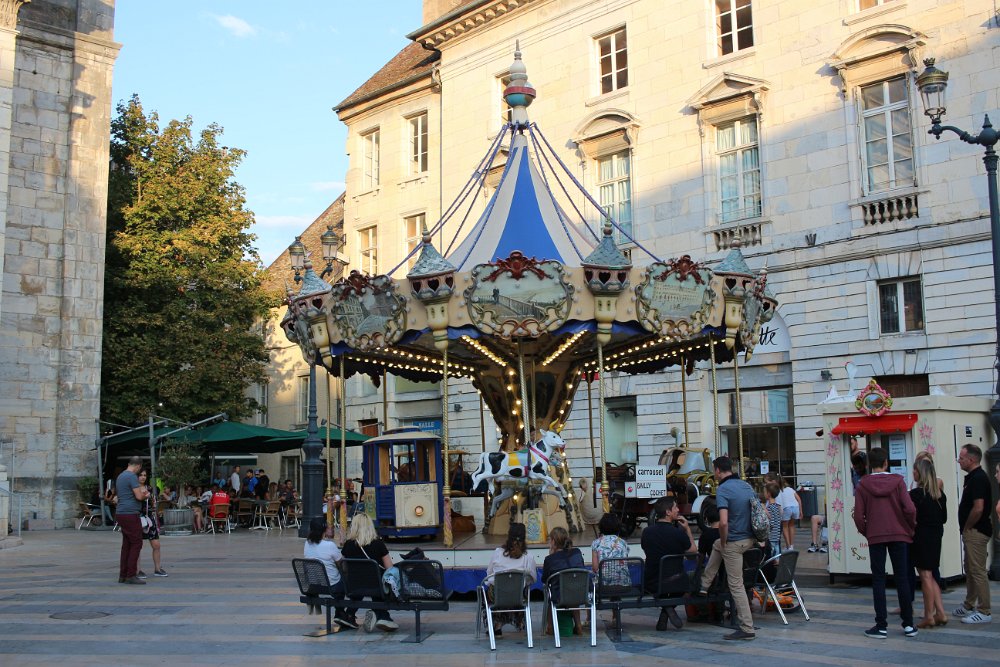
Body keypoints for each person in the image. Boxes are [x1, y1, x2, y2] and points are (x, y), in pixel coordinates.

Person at [853, 447, 917, 639]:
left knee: (878, 579)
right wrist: (909, 527)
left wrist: (867, 531)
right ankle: (908, 624)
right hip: (899, 533)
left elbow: (858, 516)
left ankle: (881, 625)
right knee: (902, 578)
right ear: (886, 462)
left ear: (868, 465)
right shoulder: (898, 482)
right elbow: (910, 509)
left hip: (876, 535)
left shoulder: (863, 485)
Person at [697, 456, 757, 641]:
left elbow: (723, 522)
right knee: (716, 545)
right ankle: (704, 584)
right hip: (749, 539)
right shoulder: (746, 486)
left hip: (734, 542)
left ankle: (747, 627)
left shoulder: (723, 489)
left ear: (717, 470)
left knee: (736, 585)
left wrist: (724, 540)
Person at [641, 496, 694, 631]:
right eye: (675, 507)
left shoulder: (647, 532)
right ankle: (668, 608)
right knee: (689, 582)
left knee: (664, 586)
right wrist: (687, 529)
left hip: (651, 581)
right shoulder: (677, 533)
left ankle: (666, 610)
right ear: (668, 512)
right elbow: (693, 552)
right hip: (676, 581)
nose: (678, 510)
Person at [954, 443, 992, 624]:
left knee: (977, 571)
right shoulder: (972, 477)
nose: (958, 461)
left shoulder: (978, 479)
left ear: (971, 459)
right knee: (970, 568)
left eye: (961, 458)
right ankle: (969, 604)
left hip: (976, 531)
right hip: (971, 531)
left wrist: (968, 527)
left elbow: (978, 508)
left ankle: (984, 610)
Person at [341, 513, 398, 632]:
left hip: (353, 586)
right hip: (377, 587)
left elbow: (344, 567)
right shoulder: (378, 544)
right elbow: (389, 568)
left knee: (362, 581)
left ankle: (350, 614)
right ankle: (382, 616)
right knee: (379, 581)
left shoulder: (348, 545)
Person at [910, 456, 946, 628]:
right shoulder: (940, 495)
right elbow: (944, 518)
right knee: (930, 575)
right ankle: (941, 613)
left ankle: (928, 616)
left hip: (921, 536)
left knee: (925, 575)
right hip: (936, 535)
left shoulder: (916, 495)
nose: (913, 473)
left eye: (915, 470)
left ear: (921, 473)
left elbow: (910, 517)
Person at [485, 522, 538, 637]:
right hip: (518, 597)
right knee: (521, 591)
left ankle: (497, 624)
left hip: (497, 596)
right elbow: (533, 579)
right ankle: (519, 621)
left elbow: (489, 574)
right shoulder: (528, 557)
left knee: (491, 590)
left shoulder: (497, 553)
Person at [303, 516, 353, 627]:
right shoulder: (330, 545)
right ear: (324, 529)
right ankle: (341, 612)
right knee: (345, 578)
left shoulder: (307, 544)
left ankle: (340, 613)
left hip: (314, 585)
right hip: (331, 586)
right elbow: (343, 567)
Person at [541, 526, 585, 635]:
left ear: (553, 541)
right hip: (580, 593)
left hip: (559, 596)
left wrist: (551, 556)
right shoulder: (577, 552)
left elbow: (545, 579)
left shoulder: (549, 559)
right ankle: (578, 624)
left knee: (549, 592)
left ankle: (550, 627)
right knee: (573, 589)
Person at [115, 456, 149, 585]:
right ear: (138, 466)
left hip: (120, 513)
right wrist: (146, 495)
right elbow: (139, 496)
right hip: (130, 513)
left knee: (126, 545)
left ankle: (123, 575)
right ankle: (131, 575)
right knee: (136, 543)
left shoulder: (120, 476)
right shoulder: (132, 477)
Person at [137, 469, 167, 578]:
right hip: (137, 518)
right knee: (137, 545)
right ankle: (137, 570)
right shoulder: (134, 489)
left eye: (145, 475)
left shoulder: (149, 488)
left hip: (149, 518)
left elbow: (153, 502)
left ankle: (157, 569)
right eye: (140, 475)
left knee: (156, 544)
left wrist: (153, 504)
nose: (143, 477)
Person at [591, 513, 629, 577]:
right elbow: (624, 563)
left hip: (603, 581)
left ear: (601, 527)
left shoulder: (596, 543)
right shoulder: (623, 543)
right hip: (622, 581)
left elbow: (595, 568)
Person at [776, 476, 802, 551]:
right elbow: (799, 499)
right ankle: (791, 545)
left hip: (786, 508)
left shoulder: (778, 491)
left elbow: (779, 503)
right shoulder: (790, 489)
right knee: (791, 525)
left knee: (785, 527)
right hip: (795, 507)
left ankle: (788, 546)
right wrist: (801, 511)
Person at [764, 482, 783, 558]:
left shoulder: (769, 508)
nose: (764, 494)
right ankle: (777, 562)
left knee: (771, 555)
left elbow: (770, 524)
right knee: (777, 554)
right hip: (777, 536)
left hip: (771, 537)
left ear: (768, 494)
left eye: (764, 492)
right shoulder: (778, 507)